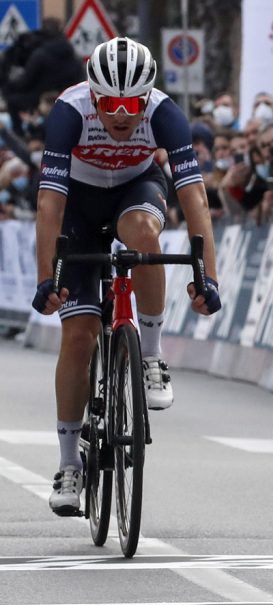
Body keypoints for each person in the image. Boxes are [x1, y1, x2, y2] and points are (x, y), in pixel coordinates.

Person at [32, 37, 221, 517]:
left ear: (147, 97)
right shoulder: (69, 112)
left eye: (132, 104)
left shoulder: (165, 113)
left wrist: (208, 276)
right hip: (77, 203)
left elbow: (195, 199)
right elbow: (49, 205)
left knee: (142, 233)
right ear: (94, 96)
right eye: (111, 103)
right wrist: (45, 279)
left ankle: (152, 357)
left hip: (135, 189)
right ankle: (69, 462)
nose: (121, 114)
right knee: (78, 336)